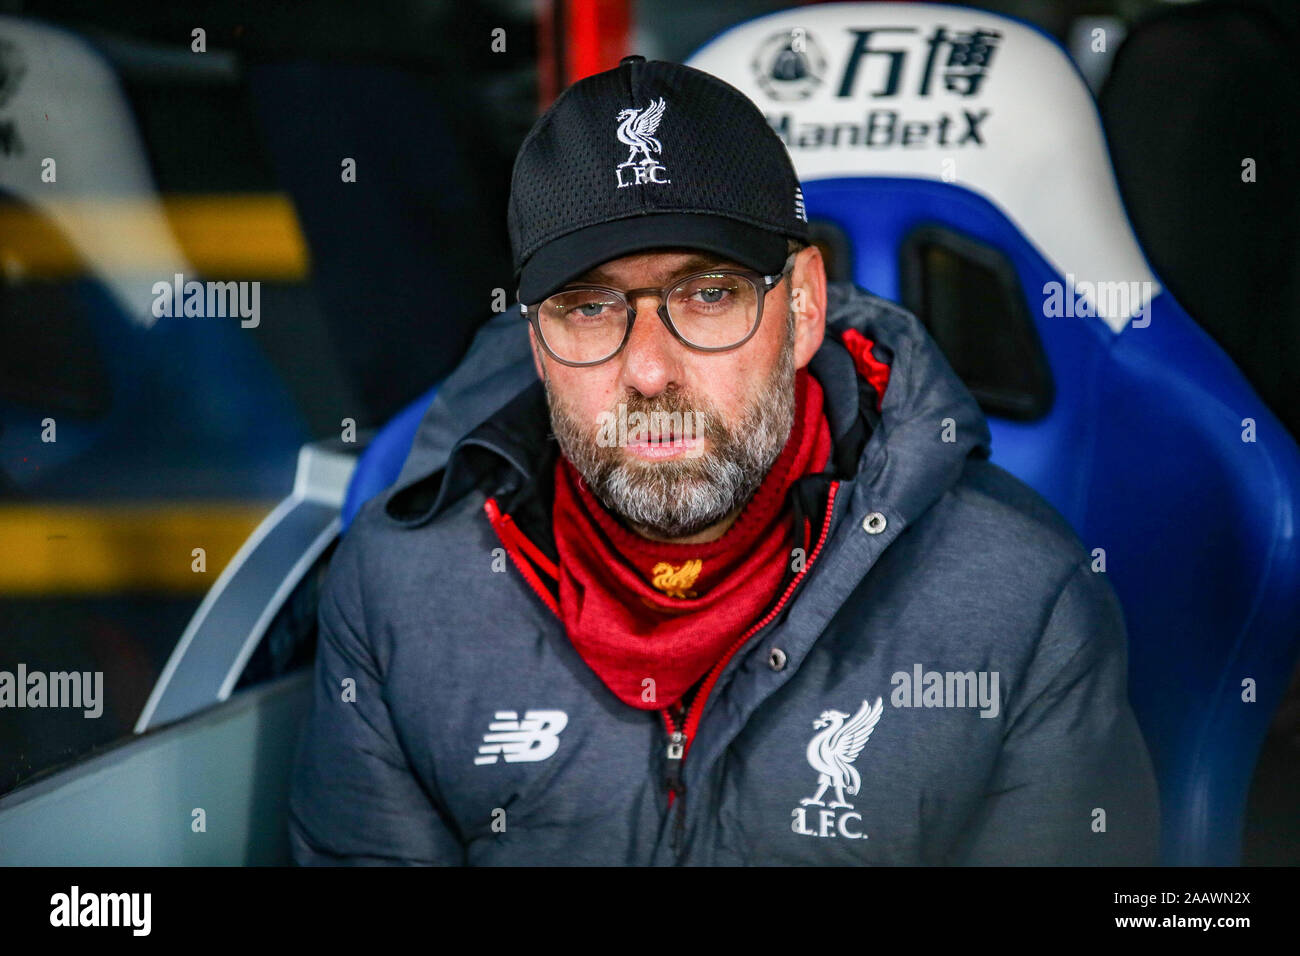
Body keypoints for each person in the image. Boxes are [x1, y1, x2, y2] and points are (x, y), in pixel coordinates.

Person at [288, 55, 1159, 865]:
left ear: (805, 308)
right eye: (588, 308)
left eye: (708, 295)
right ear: (537, 345)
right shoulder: (403, 590)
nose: (650, 370)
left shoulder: (1017, 601)